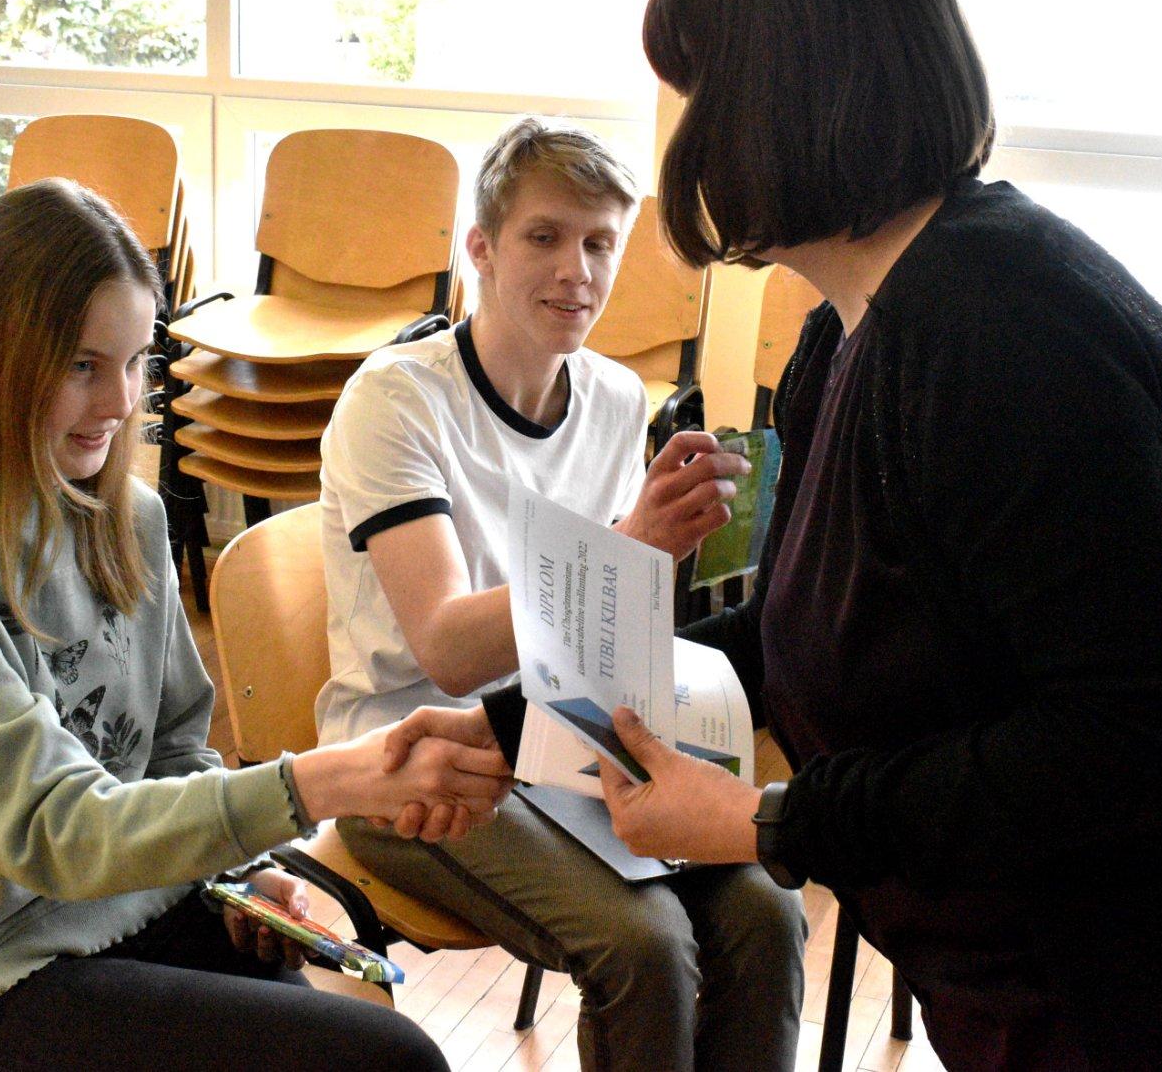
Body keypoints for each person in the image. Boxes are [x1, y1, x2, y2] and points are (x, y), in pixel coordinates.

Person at [478, 0, 1162, 1069]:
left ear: (788, 96)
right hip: (1037, 984)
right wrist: (506, 725)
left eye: (706, 87)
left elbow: (1142, 736)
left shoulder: (1004, 331)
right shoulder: (853, 322)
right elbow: (805, 621)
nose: (692, 130)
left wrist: (772, 818)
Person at [0, 180, 514, 1071]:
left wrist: (238, 877)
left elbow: (174, 747)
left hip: (137, 906)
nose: (119, 399)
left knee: (368, 1045)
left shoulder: (126, 519)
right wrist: (331, 779)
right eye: (81, 365)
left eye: (136, 359)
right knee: (385, 1059)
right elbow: (55, 829)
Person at [315, 118, 807, 1072]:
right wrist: (631, 542)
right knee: (646, 945)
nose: (575, 270)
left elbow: (601, 633)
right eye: (544, 237)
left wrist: (666, 557)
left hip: (560, 734)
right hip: (411, 749)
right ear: (482, 248)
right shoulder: (397, 398)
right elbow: (447, 651)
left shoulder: (616, 397)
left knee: (767, 910)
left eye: (599, 243)